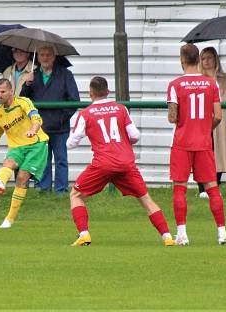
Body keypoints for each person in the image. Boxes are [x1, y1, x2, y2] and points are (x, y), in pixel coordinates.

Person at [66, 76, 174, 246]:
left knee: (76, 194)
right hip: (125, 162)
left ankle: (84, 234)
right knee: (146, 199)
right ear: (108, 92)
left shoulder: (85, 114)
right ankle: (167, 237)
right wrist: (122, 142)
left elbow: (71, 143)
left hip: (103, 163)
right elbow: (135, 136)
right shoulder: (121, 109)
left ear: (91, 93)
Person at [167, 43, 226, 246]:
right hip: (203, 142)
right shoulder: (211, 84)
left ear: (182, 60)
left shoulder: (175, 85)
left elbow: (172, 117)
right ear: (197, 60)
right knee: (212, 188)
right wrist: (203, 127)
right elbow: (218, 116)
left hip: (182, 143)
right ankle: (222, 233)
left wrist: (182, 121)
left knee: (180, 188)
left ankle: (182, 234)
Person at [0, 78, 48, 229]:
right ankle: (0, 184)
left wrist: (33, 130)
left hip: (36, 145)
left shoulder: (23, 102)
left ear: (11, 91)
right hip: (17, 147)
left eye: (3, 91)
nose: (0, 95)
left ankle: (9, 219)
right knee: (8, 163)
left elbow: (36, 118)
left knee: (22, 178)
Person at [20, 45, 79, 194]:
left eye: (48, 55)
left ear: (54, 57)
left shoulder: (66, 74)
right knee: (43, 160)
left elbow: (74, 100)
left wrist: (62, 118)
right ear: (37, 57)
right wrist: (27, 84)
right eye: (42, 55)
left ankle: (61, 190)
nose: (45, 58)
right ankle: (43, 188)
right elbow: (23, 101)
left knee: (61, 160)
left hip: (60, 126)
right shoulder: (32, 76)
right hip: (39, 126)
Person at [196, 47, 226, 199]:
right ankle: (202, 188)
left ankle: (215, 185)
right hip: (201, 120)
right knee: (201, 153)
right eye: (203, 58)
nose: (206, 61)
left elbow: (224, 97)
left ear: (215, 59)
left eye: (209, 58)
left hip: (219, 119)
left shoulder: (223, 78)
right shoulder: (198, 78)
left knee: (219, 153)